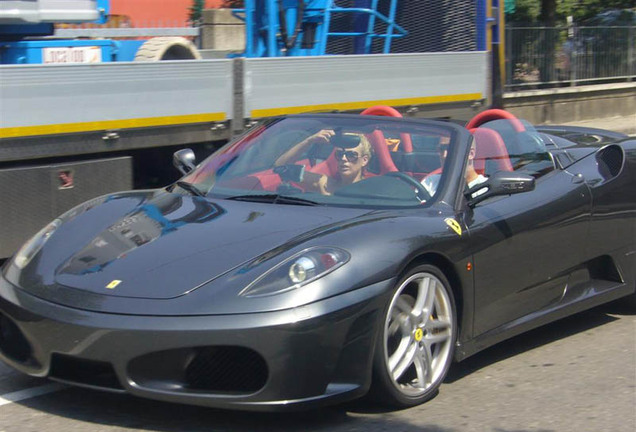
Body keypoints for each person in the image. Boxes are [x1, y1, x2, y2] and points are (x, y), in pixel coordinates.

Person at [275, 130, 372, 195]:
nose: (343, 158)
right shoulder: (324, 184)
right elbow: (281, 167)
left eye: (351, 155)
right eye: (339, 154)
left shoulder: (373, 189)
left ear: (364, 160)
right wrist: (309, 141)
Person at [422, 136, 487, 198]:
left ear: (470, 154)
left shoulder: (485, 189)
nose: (444, 155)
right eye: (441, 149)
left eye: (451, 148)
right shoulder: (430, 183)